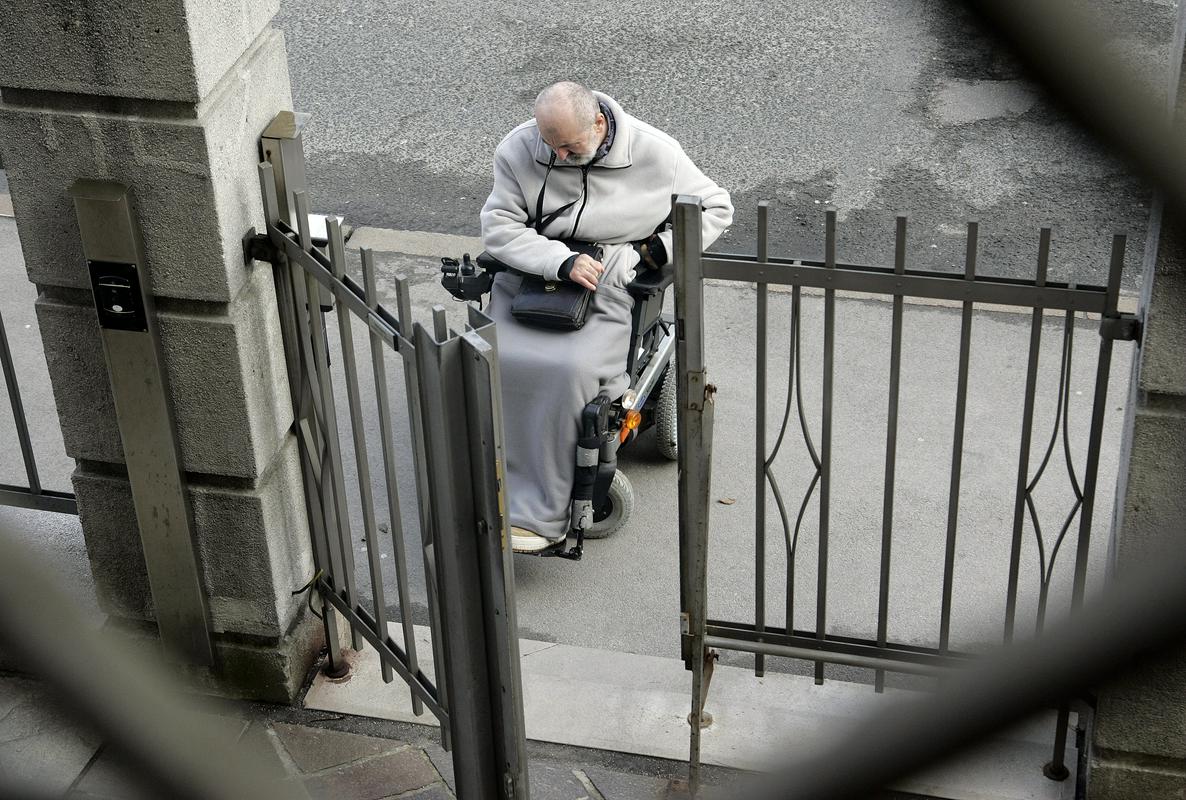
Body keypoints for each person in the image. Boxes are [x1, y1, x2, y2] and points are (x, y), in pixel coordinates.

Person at [479, 81, 733, 553]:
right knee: (493, 358)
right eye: (550, 145)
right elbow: (498, 227)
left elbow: (717, 207)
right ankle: (485, 492)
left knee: (568, 369)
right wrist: (558, 260)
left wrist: (654, 252)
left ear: (599, 124)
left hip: (609, 279)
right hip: (535, 271)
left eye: (569, 147)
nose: (558, 155)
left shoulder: (656, 152)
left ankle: (541, 512)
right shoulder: (519, 148)